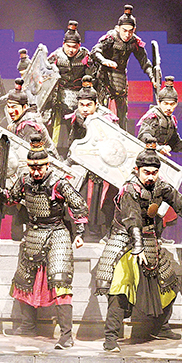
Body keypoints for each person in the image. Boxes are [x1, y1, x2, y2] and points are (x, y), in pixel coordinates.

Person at [94, 137, 182, 352]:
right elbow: (132, 219)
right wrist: (138, 247)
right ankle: (111, 338)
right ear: (137, 170)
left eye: (154, 172)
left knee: (169, 283)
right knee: (120, 289)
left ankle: (159, 328)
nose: (151, 176)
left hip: (148, 238)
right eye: (146, 172)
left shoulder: (161, 187)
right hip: (124, 240)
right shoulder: (129, 190)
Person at [0, 134, 89, 349]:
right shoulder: (25, 180)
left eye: (39, 167)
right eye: (32, 167)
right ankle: (28, 326)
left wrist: (79, 232)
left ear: (47, 165)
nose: (36, 172)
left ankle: (66, 335)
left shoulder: (59, 183)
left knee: (60, 281)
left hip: (57, 232)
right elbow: (11, 198)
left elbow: (79, 205)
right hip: (34, 231)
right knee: (24, 279)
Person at [64, 76, 119, 242]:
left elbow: (116, 143)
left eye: (88, 105)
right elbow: (74, 140)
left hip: (104, 164)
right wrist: (69, 161)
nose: (85, 109)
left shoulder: (107, 118)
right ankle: (81, 231)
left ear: (96, 104)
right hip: (85, 162)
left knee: (103, 199)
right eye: (81, 105)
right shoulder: (77, 116)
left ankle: (105, 232)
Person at [91, 5, 155, 131]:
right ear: (118, 27)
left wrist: (152, 76)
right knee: (103, 111)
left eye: (130, 31)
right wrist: (104, 61)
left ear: (134, 30)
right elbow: (95, 51)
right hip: (104, 77)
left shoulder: (134, 42)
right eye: (124, 30)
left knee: (121, 113)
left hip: (121, 79)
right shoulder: (111, 38)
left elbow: (144, 61)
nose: (127, 34)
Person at [47, 20, 94, 158]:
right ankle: (58, 154)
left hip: (80, 98)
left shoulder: (85, 56)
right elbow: (46, 76)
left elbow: (91, 77)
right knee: (59, 130)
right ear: (63, 44)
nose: (71, 50)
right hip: (60, 97)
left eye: (74, 46)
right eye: (68, 46)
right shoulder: (56, 56)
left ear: (79, 45)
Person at [136, 77, 182, 163]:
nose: (169, 108)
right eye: (165, 104)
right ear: (159, 102)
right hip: (146, 159)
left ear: (176, 104)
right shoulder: (152, 117)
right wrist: (158, 148)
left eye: (172, 104)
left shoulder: (171, 120)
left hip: (158, 159)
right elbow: (144, 136)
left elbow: (176, 142)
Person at [6, 79, 60, 159]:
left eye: (14, 107)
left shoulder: (28, 126)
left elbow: (28, 153)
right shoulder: (21, 118)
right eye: (9, 107)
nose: (10, 111)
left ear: (24, 107)